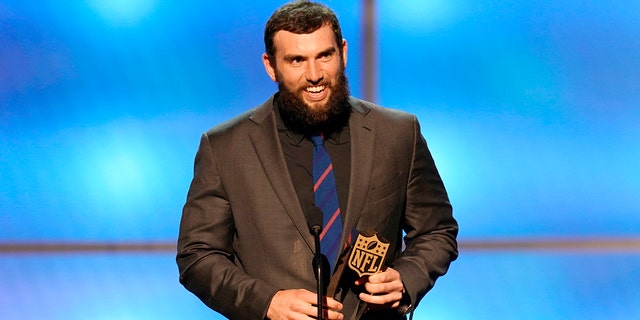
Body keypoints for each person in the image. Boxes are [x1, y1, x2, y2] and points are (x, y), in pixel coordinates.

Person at [176, 1, 458, 319]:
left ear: (343, 52)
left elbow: (437, 231)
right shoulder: (225, 148)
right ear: (271, 66)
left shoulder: (397, 133)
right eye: (297, 60)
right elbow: (197, 256)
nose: (314, 75)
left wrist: (406, 279)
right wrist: (266, 302)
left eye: (325, 56)